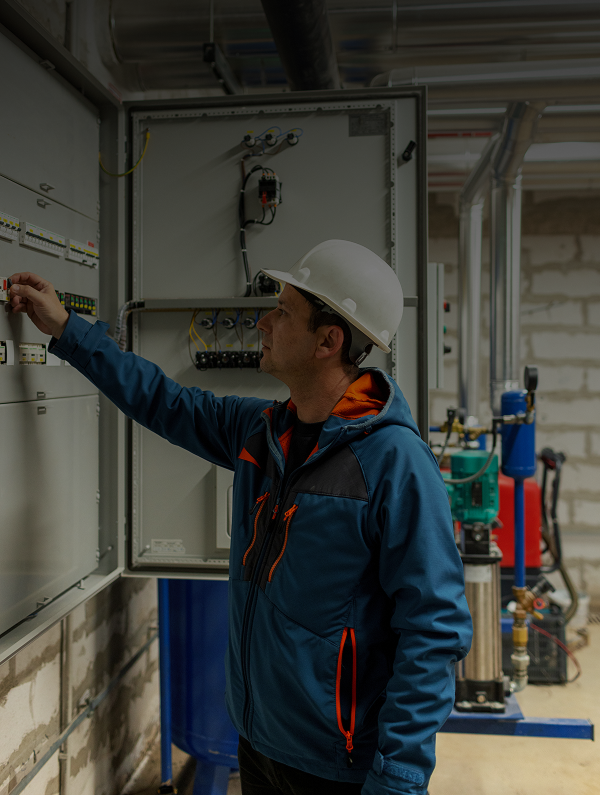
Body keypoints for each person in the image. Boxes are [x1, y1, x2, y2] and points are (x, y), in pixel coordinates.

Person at [9, 239, 472, 795]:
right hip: (258, 740)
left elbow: (434, 629)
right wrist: (67, 329)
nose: (265, 323)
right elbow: (162, 400)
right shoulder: (265, 432)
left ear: (329, 340)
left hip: (337, 765)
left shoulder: (396, 464)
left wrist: (398, 777)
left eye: (284, 312)